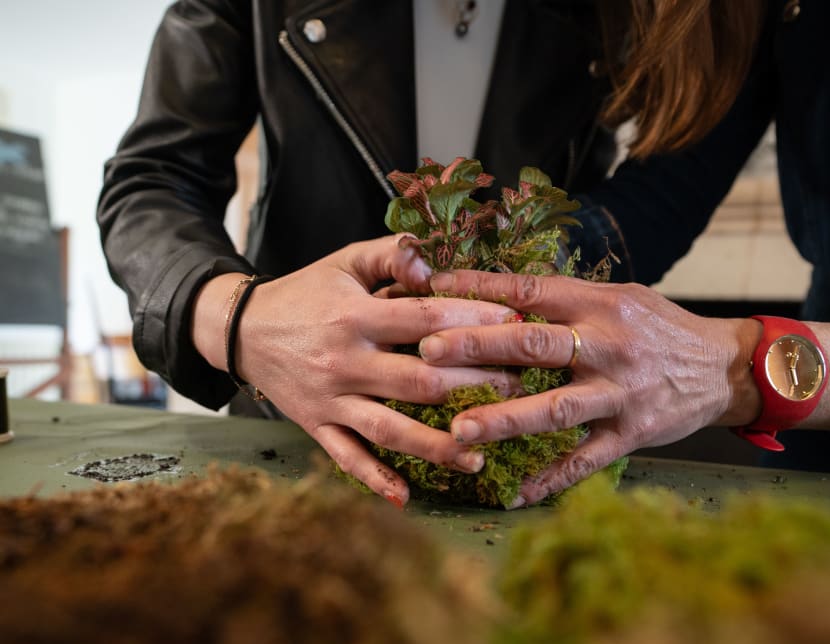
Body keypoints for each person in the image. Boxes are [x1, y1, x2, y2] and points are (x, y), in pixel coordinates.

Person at [97, 0, 621, 504]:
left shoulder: (610, 16)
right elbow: (154, 179)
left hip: (529, 437)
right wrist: (235, 318)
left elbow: (649, 195)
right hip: (290, 424)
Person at [415, 0, 830, 507]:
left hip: (815, 371)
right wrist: (523, 260)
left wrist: (738, 366)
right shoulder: (800, 13)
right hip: (817, 388)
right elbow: (670, 192)